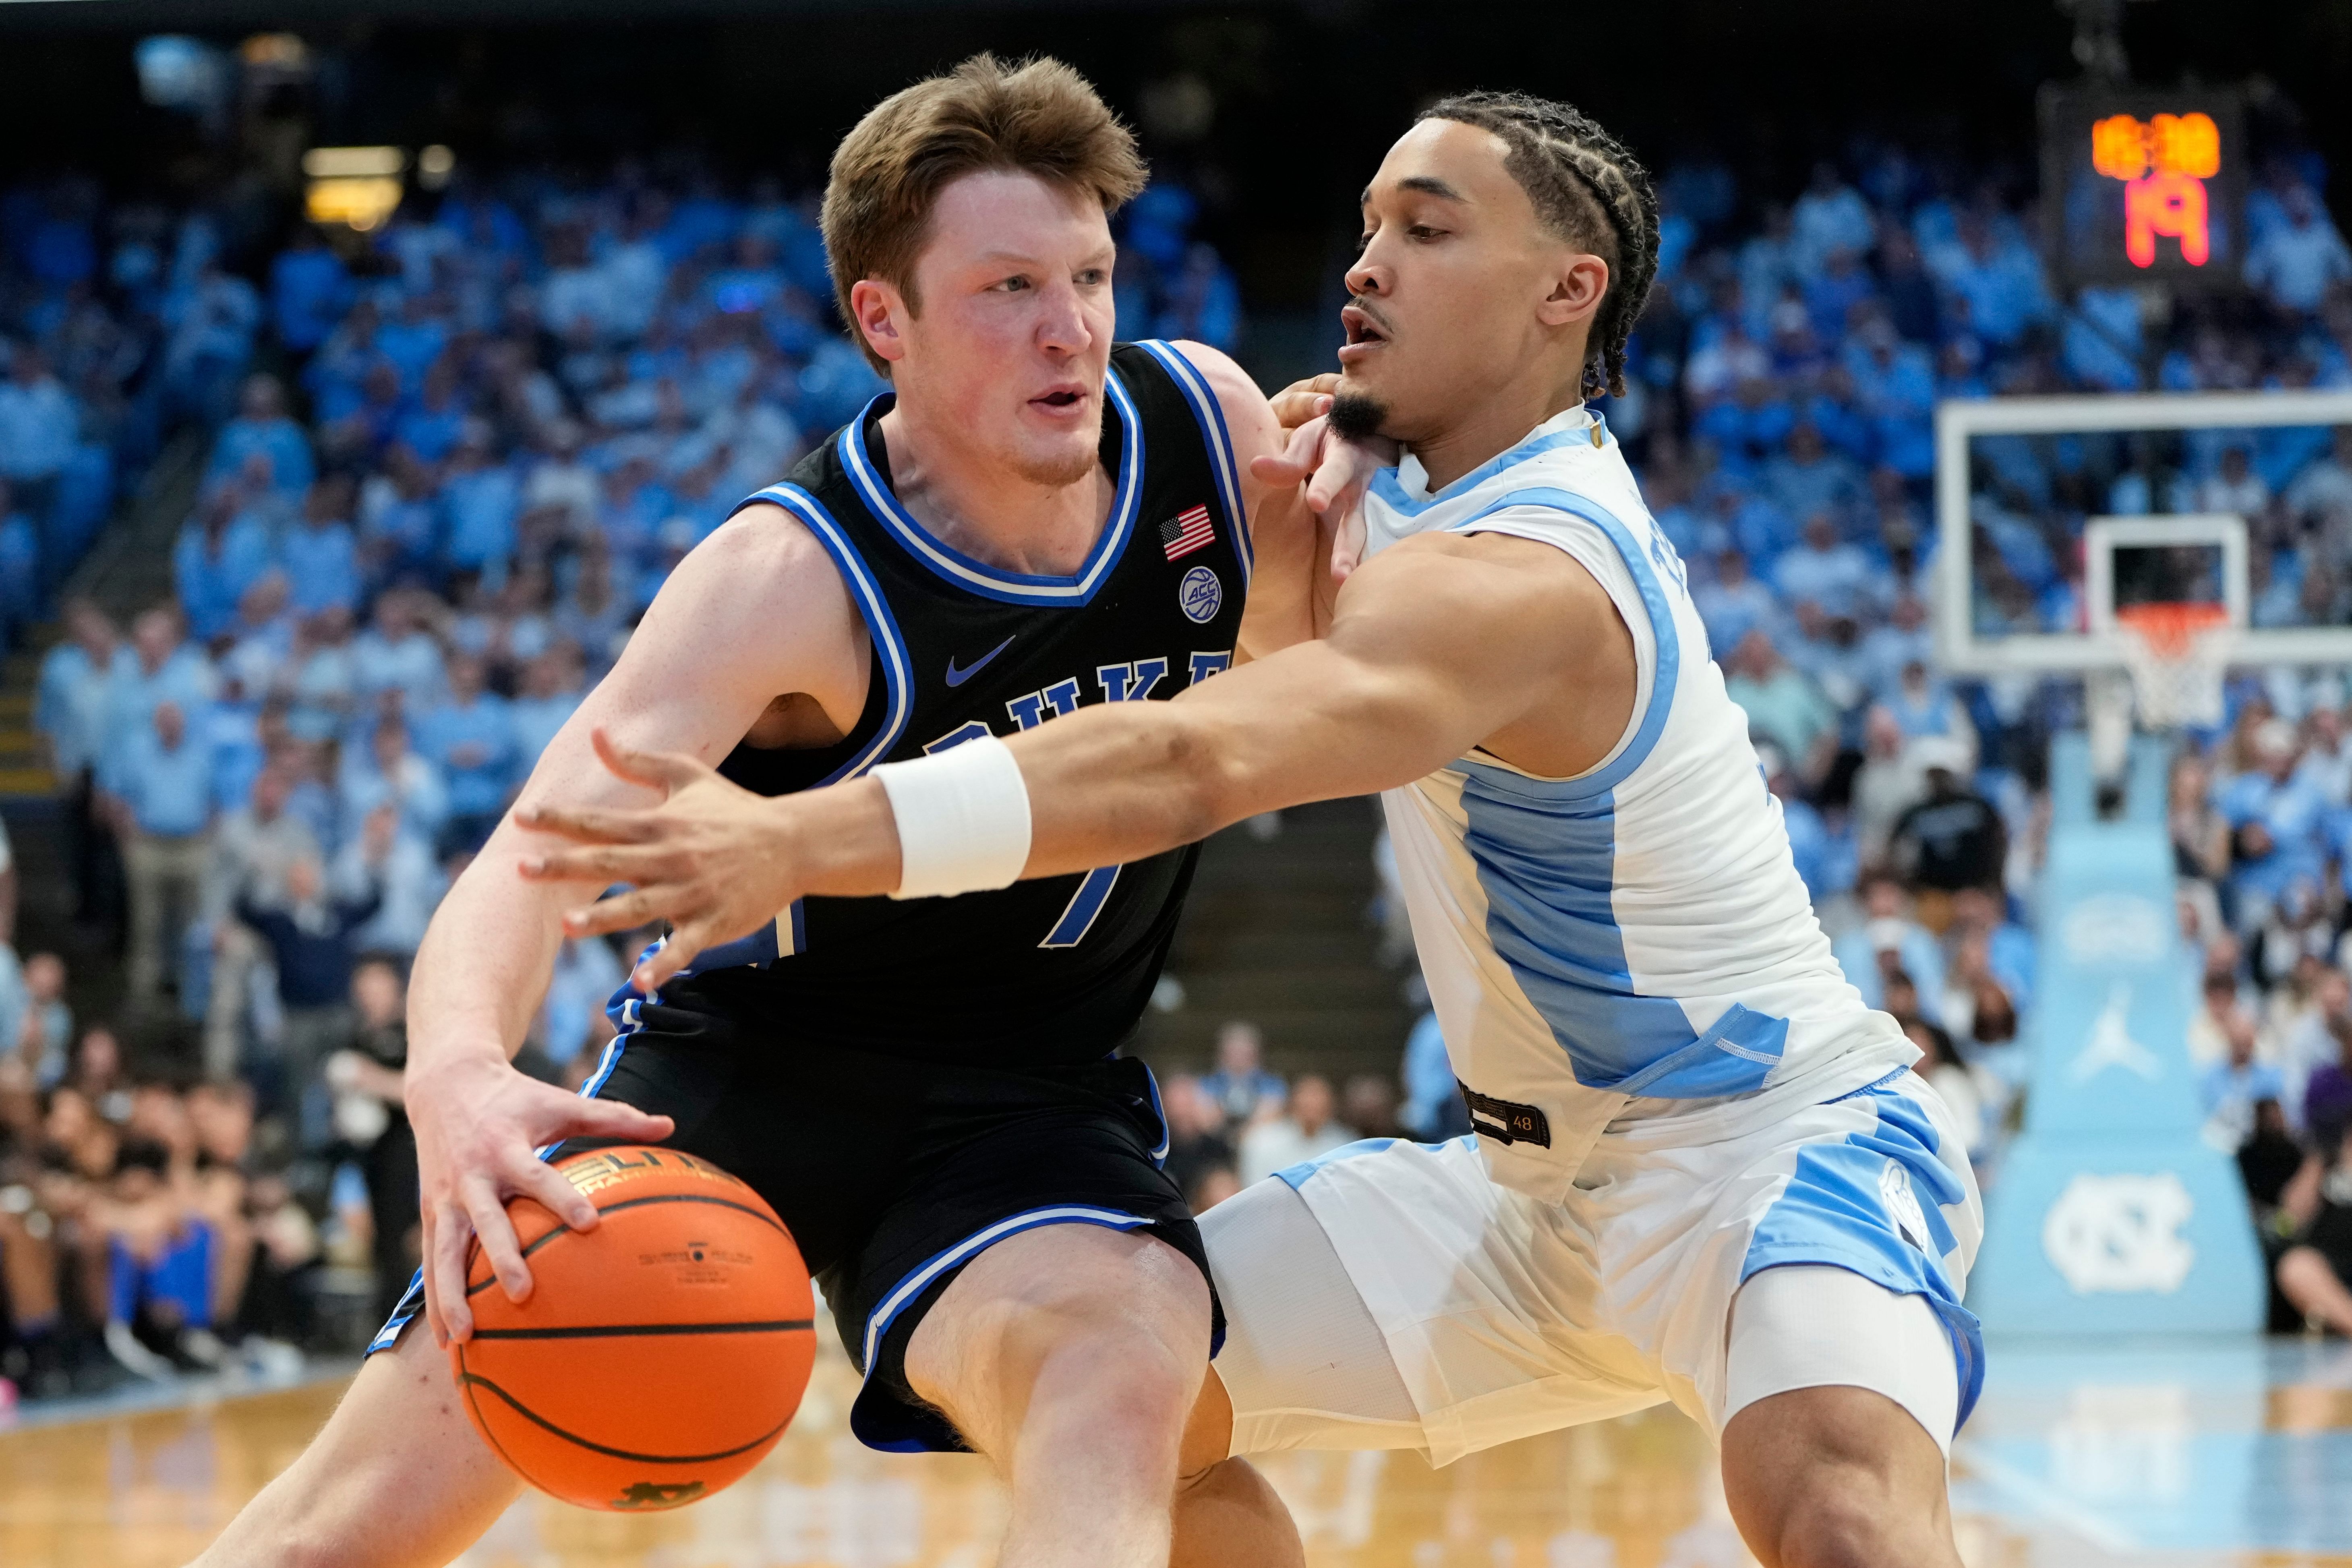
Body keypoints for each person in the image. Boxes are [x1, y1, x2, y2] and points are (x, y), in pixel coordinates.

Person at [537, 93, 1983, 1566]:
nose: (1366, 265)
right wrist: (1338, 422)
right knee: (1112, 1390)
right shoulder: (1401, 479)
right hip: (1523, 1198)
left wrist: (809, 839)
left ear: (1569, 290)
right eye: (1365, 230)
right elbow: (1301, 488)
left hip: (1764, 1149)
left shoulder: (1531, 570)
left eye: (1426, 230)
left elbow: (1188, 761)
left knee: (1835, 1505)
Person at [187, 54, 1330, 1568]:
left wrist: (1367, 507)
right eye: (1005, 288)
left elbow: (1328, 670)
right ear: (884, 320)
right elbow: (540, 850)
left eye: (1091, 275)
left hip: (1028, 1104)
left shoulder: (1201, 427)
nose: (1070, 329)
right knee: (337, 1534)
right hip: (736, 1090)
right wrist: (457, 1073)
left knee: (1138, 1414)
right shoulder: (789, 580)